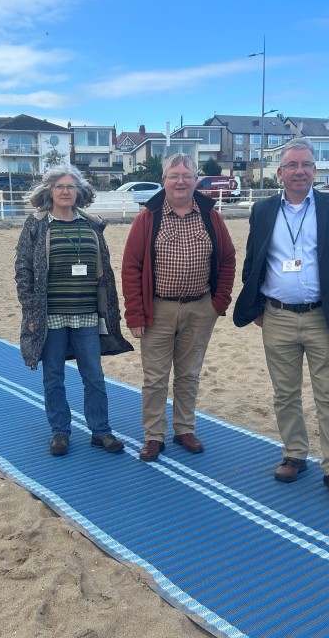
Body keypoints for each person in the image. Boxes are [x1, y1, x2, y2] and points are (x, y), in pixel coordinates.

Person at [233, 138, 329, 502]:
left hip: (323, 316)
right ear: (279, 173)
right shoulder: (263, 210)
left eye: (306, 164)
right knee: (285, 393)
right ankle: (294, 454)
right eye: (292, 165)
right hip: (276, 316)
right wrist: (257, 306)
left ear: (315, 170)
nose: (300, 171)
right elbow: (253, 260)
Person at [121, 153, 236, 462]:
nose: (181, 181)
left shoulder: (211, 217)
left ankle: (184, 429)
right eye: (174, 176)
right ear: (164, 181)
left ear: (196, 180)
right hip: (158, 309)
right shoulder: (148, 218)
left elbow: (227, 259)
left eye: (187, 175)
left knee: (189, 375)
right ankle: (154, 435)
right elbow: (131, 267)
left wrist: (218, 303)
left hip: (200, 308)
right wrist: (135, 314)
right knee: (155, 378)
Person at [15, 164, 133, 456]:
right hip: (51, 315)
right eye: (60, 186)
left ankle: (101, 432)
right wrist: (30, 313)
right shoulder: (37, 224)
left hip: (87, 315)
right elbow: (23, 271)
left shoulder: (91, 224)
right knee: (54, 376)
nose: (65, 191)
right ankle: (60, 432)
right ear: (50, 191)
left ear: (79, 191)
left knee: (94, 376)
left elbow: (104, 271)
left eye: (70, 186)